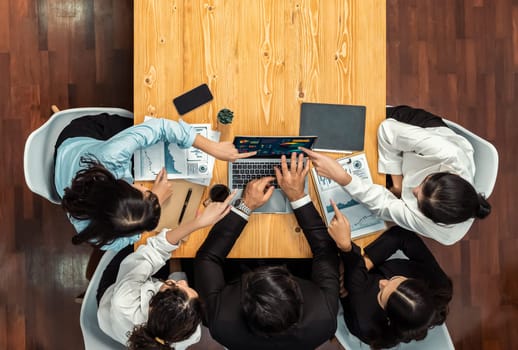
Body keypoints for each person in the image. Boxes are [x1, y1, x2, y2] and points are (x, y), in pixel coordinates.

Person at [194, 152, 339, 350]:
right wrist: (298, 196)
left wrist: (245, 206)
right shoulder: (325, 319)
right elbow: (326, 252)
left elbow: (206, 258)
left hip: (236, 270)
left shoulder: (221, 322)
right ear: (299, 297)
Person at [54, 113, 255, 250]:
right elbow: (136, 235)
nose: (143, 187)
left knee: (139, 119)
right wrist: (154, 198)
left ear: (118, 184)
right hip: (69, 173)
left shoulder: (110, 157)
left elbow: (159, 126)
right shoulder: (105, 238)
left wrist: (212, 147)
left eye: (143, 192)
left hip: (80, 137)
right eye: (145, 191)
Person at [301, 105, 491, 245]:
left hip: (401, 172)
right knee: (352, 125)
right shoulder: (448, 153)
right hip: (417, 129)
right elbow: (387, 130)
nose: (414, 189)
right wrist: (398, 186)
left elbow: (384, 206)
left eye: (417, 197)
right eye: (424, 183)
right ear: (443, 173)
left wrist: (343, 177)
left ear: (431, 217)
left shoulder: (445, 235)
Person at [96, 192, 233, 349]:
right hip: (126, 314)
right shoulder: (189, 332)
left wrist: (198, 223)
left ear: (152, 303)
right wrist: (197, 224)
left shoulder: (124, 301)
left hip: (114, 292)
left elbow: (155, 249)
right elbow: (170, 266)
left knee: (137, 232)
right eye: (188, 289)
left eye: (174, 286)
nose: (182, 282)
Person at [327, 201, 452, 349]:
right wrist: (367, 262)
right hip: (362, 271)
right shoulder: (439, 285)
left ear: (387, 315)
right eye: (396, 280)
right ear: (419, 283)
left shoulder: (365, 320)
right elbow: (402, 236)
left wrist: (348, 253)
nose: (383, 282)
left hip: (353, 289)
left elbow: (346, 284)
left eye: (382, 295)